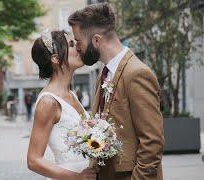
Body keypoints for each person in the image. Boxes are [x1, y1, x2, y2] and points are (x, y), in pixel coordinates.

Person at [68, 3, 164, 180]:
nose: (77, 48)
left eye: (78, 41)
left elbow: (152, 142)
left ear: (96, 40)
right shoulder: (103, 74)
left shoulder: (137, 73)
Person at [27, 30, 97, 180]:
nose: (78, 47)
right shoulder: (48, 102)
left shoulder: (71, 95)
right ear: (56, 58)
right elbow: (33, 160)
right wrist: (77, 177)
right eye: (71, 44)